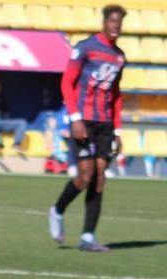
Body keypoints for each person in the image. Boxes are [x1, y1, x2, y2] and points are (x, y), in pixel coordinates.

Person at [48, 5, 126, 253]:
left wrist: (118, 130)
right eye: (112, 21)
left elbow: (115, 94)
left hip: (104, 124)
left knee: (100, 178)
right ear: (104, 22)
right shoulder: (85, 48)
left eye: (119, 22)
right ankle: (57, 210)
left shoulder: (119, 57)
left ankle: (88, 237)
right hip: (84, 120)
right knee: (85, 176)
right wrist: (75, 118)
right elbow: (66, 82)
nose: (116, 26)